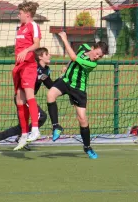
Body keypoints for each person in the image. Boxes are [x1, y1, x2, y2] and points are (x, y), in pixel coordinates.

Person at [46, 31, 108, 159]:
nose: (97, 57)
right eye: (97, 54)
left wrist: (64, 39)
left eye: (100, 57)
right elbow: (72, 58)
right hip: (66, 80)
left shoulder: (92, 64)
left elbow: (74, 57)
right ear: (92, 48)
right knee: (50, 95)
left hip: (78, 89)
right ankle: (56, 127)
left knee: (82, 119)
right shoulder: (84, 46)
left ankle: (87, 147)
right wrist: (67, 66)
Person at [0, 47, 57, 151]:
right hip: (22, 98)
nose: (50, 55)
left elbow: (50, 85)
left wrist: (62, 78)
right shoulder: (31, 67)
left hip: (29, 99)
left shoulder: (46, 70)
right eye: (47, 54)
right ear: (40, 57)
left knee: (22, 126)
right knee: (41, 116)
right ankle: (22, 136)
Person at [12, 1, 42, 150]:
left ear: (27, 14)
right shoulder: (21, 28)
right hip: (19, 67)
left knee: (29, 95)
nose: (19, 15)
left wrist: (26, 51)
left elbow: (36, 44)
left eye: (20, 13)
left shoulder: (33, 26)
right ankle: (24, 134)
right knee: (19, 99)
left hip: (29, 67)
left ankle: (35, 129)